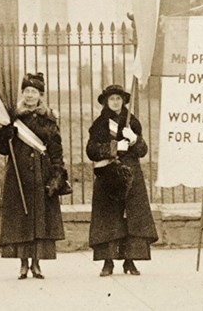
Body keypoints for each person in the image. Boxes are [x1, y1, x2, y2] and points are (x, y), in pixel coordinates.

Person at [0, 72, 66, 279]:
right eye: (26, 91)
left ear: (40, 95)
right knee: (20, 219)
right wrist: (3, 135)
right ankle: (23, 264)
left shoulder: (49, 119)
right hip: (18, 174)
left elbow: (56, 148)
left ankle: (36, 263)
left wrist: (57, 173)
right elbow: (2, 148)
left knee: (39, 219)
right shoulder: (11, 117)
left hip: (41, 174)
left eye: (34, 92)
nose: (30, 95)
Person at [85, 84, 157, 276]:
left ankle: (130, 261)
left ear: (124, 101)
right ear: (107, 102)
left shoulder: (131, 122)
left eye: (118, 98)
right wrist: (114, 147)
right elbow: (91, 150)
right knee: (109, 218)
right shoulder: (99, 124)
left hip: (130, 174)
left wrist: (134, 140)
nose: (115, 102)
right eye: (112, 99)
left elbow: (142, 151)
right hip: (108, 174)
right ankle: (108, 262)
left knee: (131, 218)